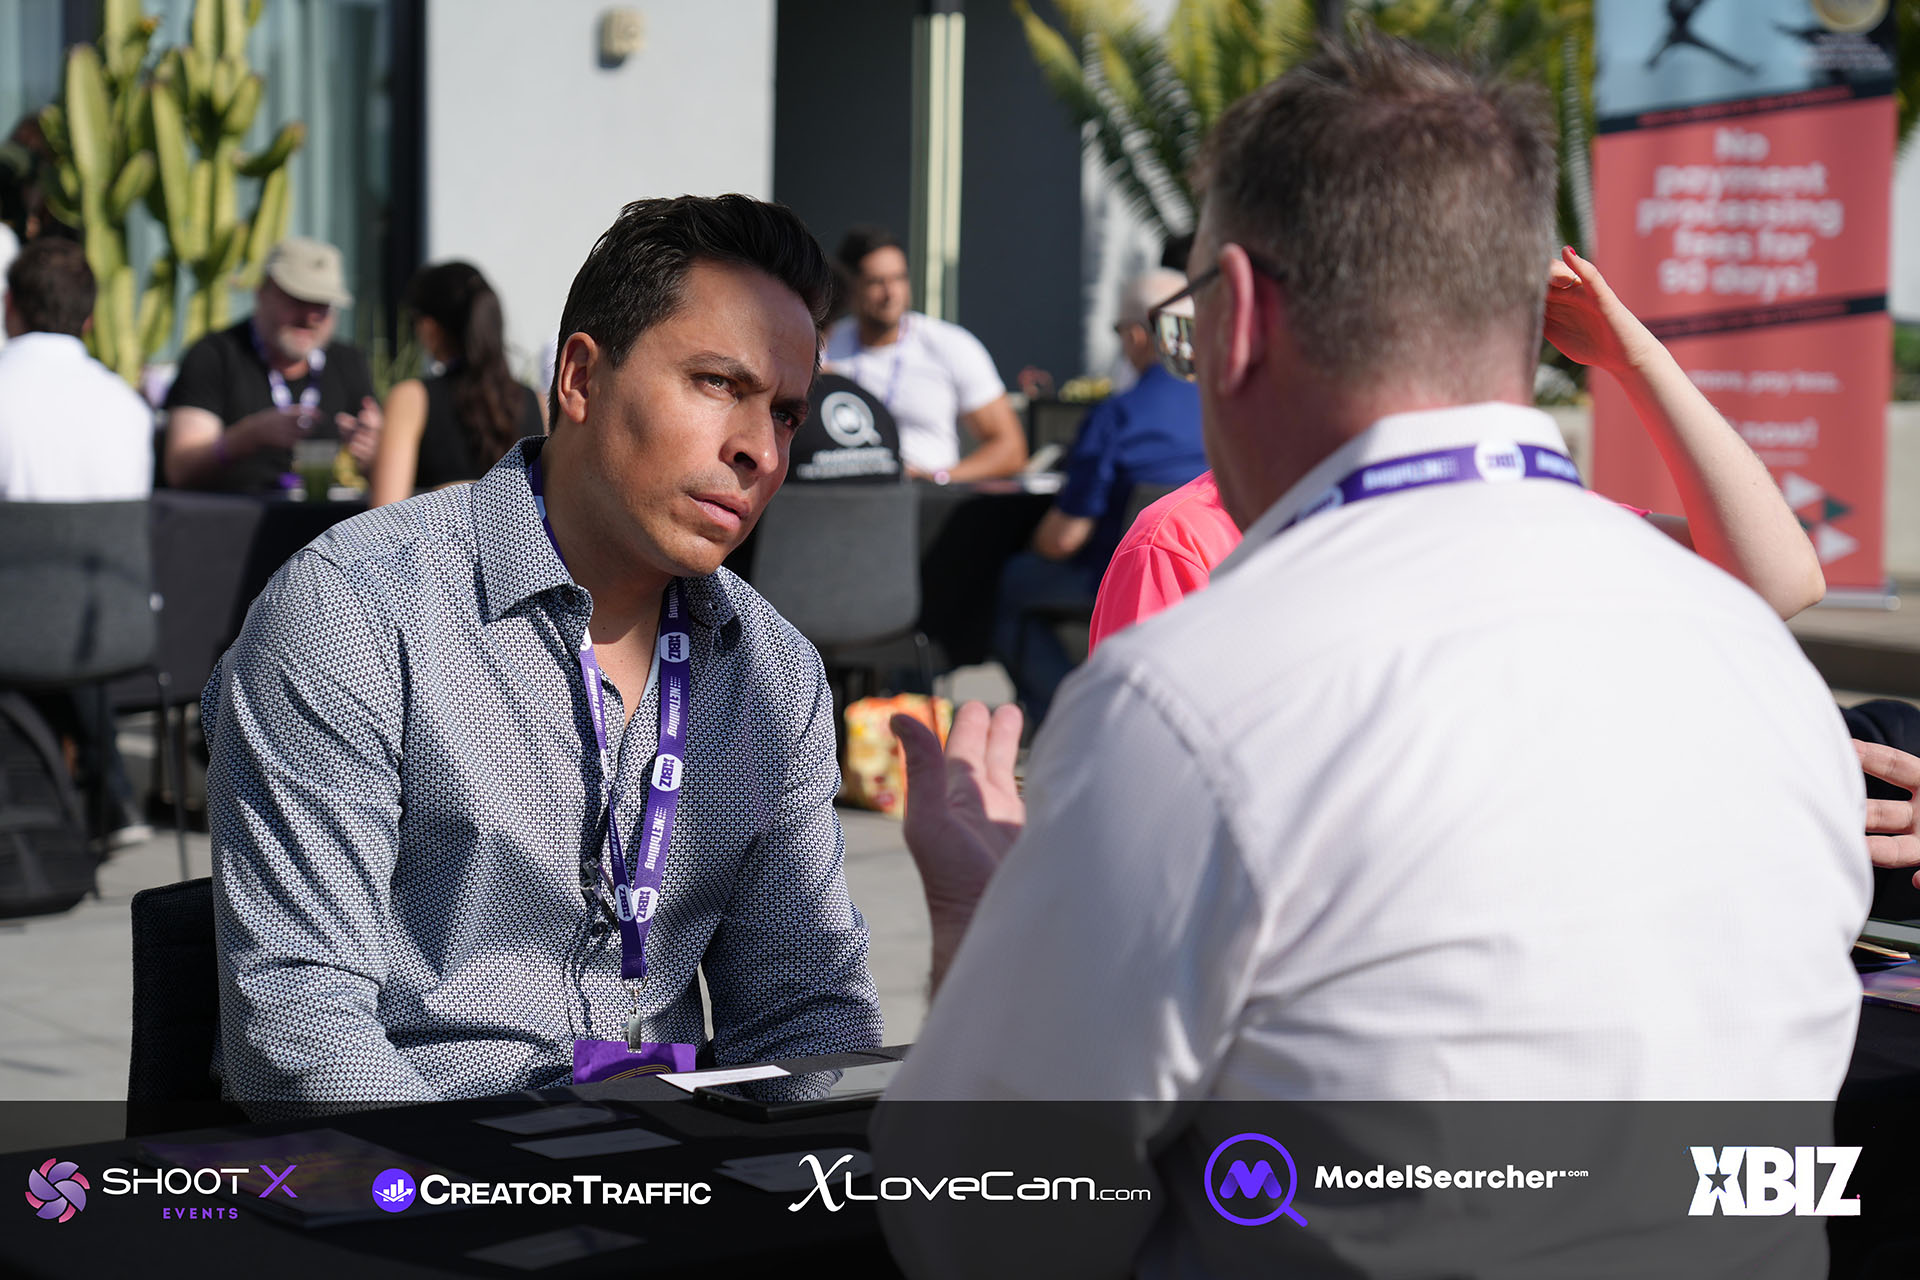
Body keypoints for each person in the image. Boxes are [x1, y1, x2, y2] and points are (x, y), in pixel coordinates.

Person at [876, 34, 1869, 1274]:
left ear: (1237, 316)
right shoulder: (1756, 663)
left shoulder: (1191, 698)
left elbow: (988, 1224)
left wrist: (983, 924)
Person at [203, 195, 884, 1114]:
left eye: (788, 415)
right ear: (580, 377)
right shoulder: (355, 612)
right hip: (420, 1163)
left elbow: (806, 1013)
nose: (759, 450)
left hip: (671, 1159)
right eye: (718, 384)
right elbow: (298, 1032)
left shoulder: (771, 674)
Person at [1089, 246, 1828, 649]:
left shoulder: (1506, 506)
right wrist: (1632, 362)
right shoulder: (1188, 543)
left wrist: (1638, 361)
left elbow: (1775, 578)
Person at [993, 268, 1208, 719]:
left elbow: (1062, 540)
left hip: (1125, 582)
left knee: (1013, 582)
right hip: (1210, 579)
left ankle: (1070, 716)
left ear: (1136, 334)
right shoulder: (1224, 407)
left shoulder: (1117, 417)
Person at [0, 236, 156, 849]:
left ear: (9, 305)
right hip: (109, 631)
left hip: (17, 632)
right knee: (65, 604)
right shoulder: (128, 407)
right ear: (90, 319)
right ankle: (108, 790)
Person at [162, 236, 382, 494]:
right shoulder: (214, 355)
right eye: (298, 300)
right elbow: (180, 470)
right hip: (232, 515)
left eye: (322, 305)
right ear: (261, 293)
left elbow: (386, 473)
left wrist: (373, 452)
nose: (310, 317)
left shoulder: (348, 361)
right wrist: (246, 437)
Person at [823, 226, 1027, 481]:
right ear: (851, 287)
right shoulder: (826, 346)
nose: (890, 293)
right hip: (843, 491)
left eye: (899, 278)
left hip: (927, 496)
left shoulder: (950, 345)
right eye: (876, 282)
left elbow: (1011, 449)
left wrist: (938, 478)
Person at [368, 261, 543, 505]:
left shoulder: (411, 399)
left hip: (433, 530)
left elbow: (385, 513)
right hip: (519, 531)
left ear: (430, 327)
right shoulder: (538, 402)